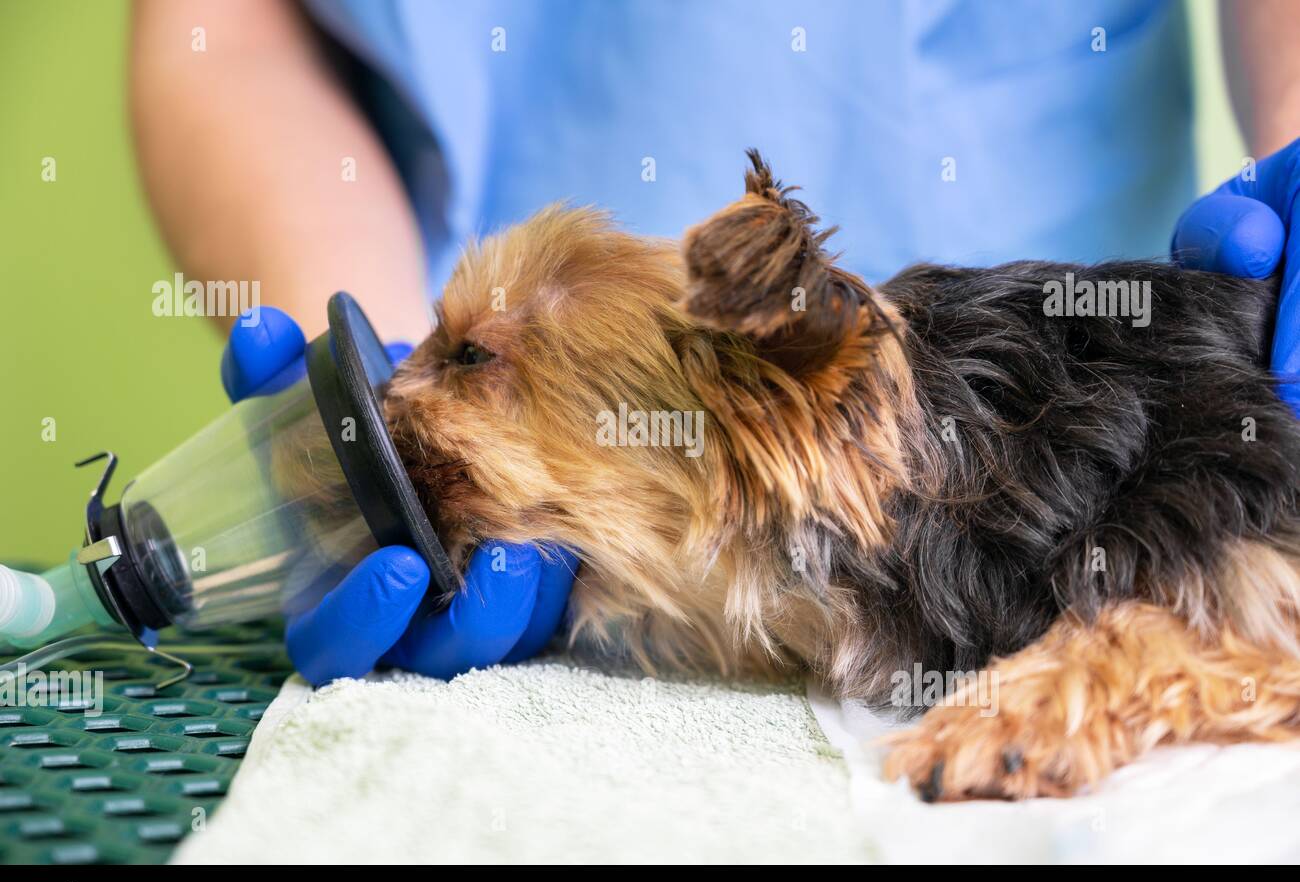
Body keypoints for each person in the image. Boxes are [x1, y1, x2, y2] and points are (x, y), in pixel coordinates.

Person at [131, 0, 1300, 684]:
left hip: (1075, 371)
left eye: (467, 358)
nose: (401, 392)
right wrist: (354, 348)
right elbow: (222, 29)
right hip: (407, 243)